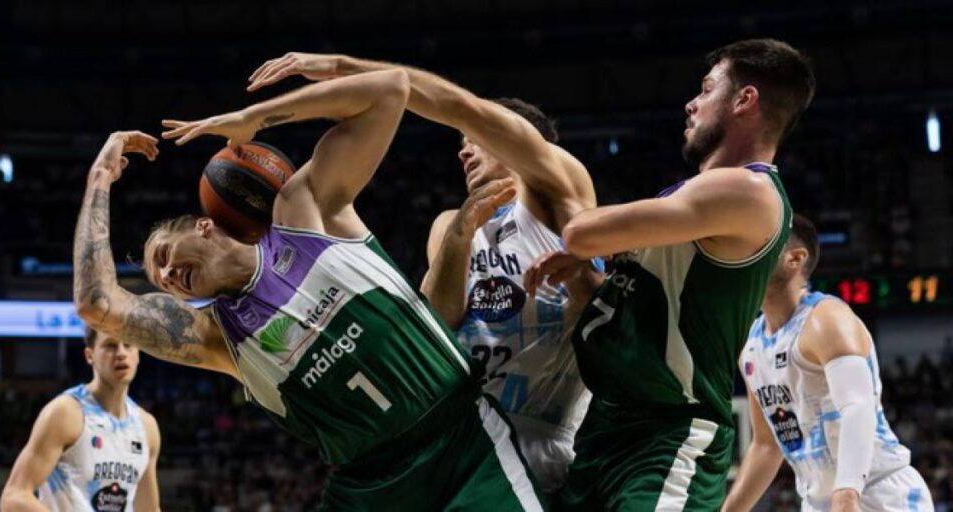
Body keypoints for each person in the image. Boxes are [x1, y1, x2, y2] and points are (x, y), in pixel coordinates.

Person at [72, 70, 544, 510]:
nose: (169, 276)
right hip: (369, 488)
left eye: (164, 257)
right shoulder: (215, 336)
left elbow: (390, 90)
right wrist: (99, 178)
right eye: (161, 283)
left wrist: (254, 117)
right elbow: (97, 303)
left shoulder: (304, 213)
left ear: (203, 227)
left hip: (463, 444)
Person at [247, 51, 600, 493]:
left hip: (545, 429)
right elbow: (435, 318)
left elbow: (455, 103)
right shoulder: (449, 223)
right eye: (460, 142)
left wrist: (342, 66)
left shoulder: (556, 190)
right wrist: (460, 234)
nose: (463, 149)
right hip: (467, 430)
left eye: (473, 138)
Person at [525, 38, 814, 510]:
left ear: (745, 99)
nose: (691, 102)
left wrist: (555, 194)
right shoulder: (690, 202)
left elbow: (580, 232)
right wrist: (582, 274)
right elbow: (624, 300)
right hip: (607, 428)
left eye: (706, 88)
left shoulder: (750, 190)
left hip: (669, 435)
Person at [724, 215, 934, 512]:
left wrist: (847, 495)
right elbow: (767, 445)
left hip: (879, 495)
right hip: (818, 503)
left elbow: (857, 407)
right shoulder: (751, 345)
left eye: (756, 246)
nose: (742, 255)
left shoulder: (825, 318)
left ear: (794, 259)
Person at [0, 328, 161, 511]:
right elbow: (14, 497)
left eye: (128, 345)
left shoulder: (147, 427)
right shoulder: (65, 413)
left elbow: (149, 509)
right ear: (90, 355)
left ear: (138, 354)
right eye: (110, 345)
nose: (121, 353)